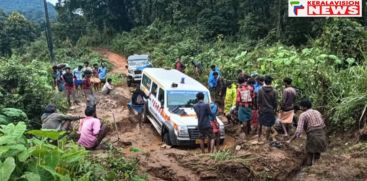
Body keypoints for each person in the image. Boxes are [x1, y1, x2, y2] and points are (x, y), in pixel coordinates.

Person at [287, 99, 327, 166]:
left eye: (301, 106)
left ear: (305, 107)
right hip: (322, 134)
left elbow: (298, 131)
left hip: (313, 135)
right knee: (318, 152)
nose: (300, 108)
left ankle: (308, 167)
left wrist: (290, 140)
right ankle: (315, 167)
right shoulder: (317, 112)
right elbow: (322, 123)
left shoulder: (303, 115)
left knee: (310, 152)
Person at [257, 75, 278, 142]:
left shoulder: (260, 90)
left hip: (262, 109)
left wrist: (259, 108)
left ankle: (259, 137)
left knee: (260, 123)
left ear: (265, 82)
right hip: (270, 110)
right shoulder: (274, 91)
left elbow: (258, 101)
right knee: (269, 125)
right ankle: (266, 139)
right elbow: (275, 102)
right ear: (271, 82)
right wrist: (275, 110)